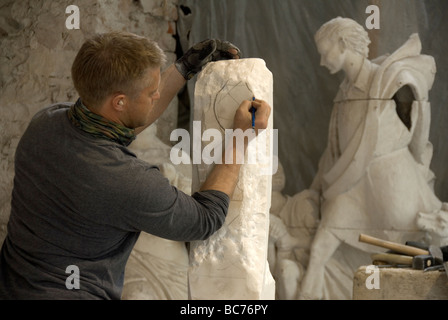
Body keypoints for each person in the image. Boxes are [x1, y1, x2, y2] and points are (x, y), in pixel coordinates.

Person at [0, 31, 271, 300]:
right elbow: (205, 218)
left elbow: (124, 123)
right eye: (152, 92)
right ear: (119, 101)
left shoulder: (46, 122)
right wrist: (240, 137)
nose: (157, 96)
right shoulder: (123, 179)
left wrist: (183, 68)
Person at [298, 17, 442, 299]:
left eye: (324, 51)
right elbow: (334, 150)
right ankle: (306, 295)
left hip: (392, 184)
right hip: (352, 186)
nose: (321, 61)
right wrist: (315, 190)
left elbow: (417, 132)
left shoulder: (390, 81)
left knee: (407, 253)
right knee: (320, 248)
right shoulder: (344, 94)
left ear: (342, 44)